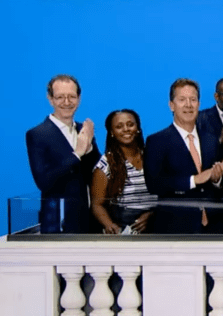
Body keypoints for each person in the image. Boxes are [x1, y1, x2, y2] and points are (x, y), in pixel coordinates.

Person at [144, 78, 223, 234]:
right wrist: (193, 180)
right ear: (171, 105)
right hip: (175, 227)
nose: (188, 105)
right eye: (182, 100)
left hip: (213, 226)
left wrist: (217, 179)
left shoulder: (211, 139)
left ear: (199, 104)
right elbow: (154, 184)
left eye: (193, 100)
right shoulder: (157, 141)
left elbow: (217, 183)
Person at [26, 74, 100, 233]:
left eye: (71, 96)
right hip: (58, 222)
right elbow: (44, 182)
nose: (66, 102)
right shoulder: (37, 134)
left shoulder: (83, 130)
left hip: (87, 220)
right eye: (60, 97)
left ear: (79, 98)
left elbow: (95, 173)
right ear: (50, 99)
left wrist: (90, 150)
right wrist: (77, 154)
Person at [91, 110, 158, 234]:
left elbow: (167, 194)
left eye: (130, 124)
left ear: (138, 128)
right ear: (112, 132)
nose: (126, 129)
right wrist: (110, 226)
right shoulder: (106, 164)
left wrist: (151, 215)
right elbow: (97, 205)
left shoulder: (153, 156)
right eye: (119, 127)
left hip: (158, 226)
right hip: (125, 231)